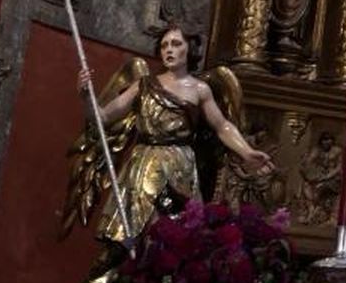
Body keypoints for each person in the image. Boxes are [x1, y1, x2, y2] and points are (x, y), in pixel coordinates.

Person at [63, 24, 274, 269]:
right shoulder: (144, 85)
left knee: (175, 236)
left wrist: (246, 151)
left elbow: (221, 126)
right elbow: (102, 118)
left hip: (179, 166)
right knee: (127, 237)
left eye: (176, 44)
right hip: (142, 164)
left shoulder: (199, 89)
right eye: (164, 45)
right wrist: (87, 96)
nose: (169, 50)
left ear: (189, 49)